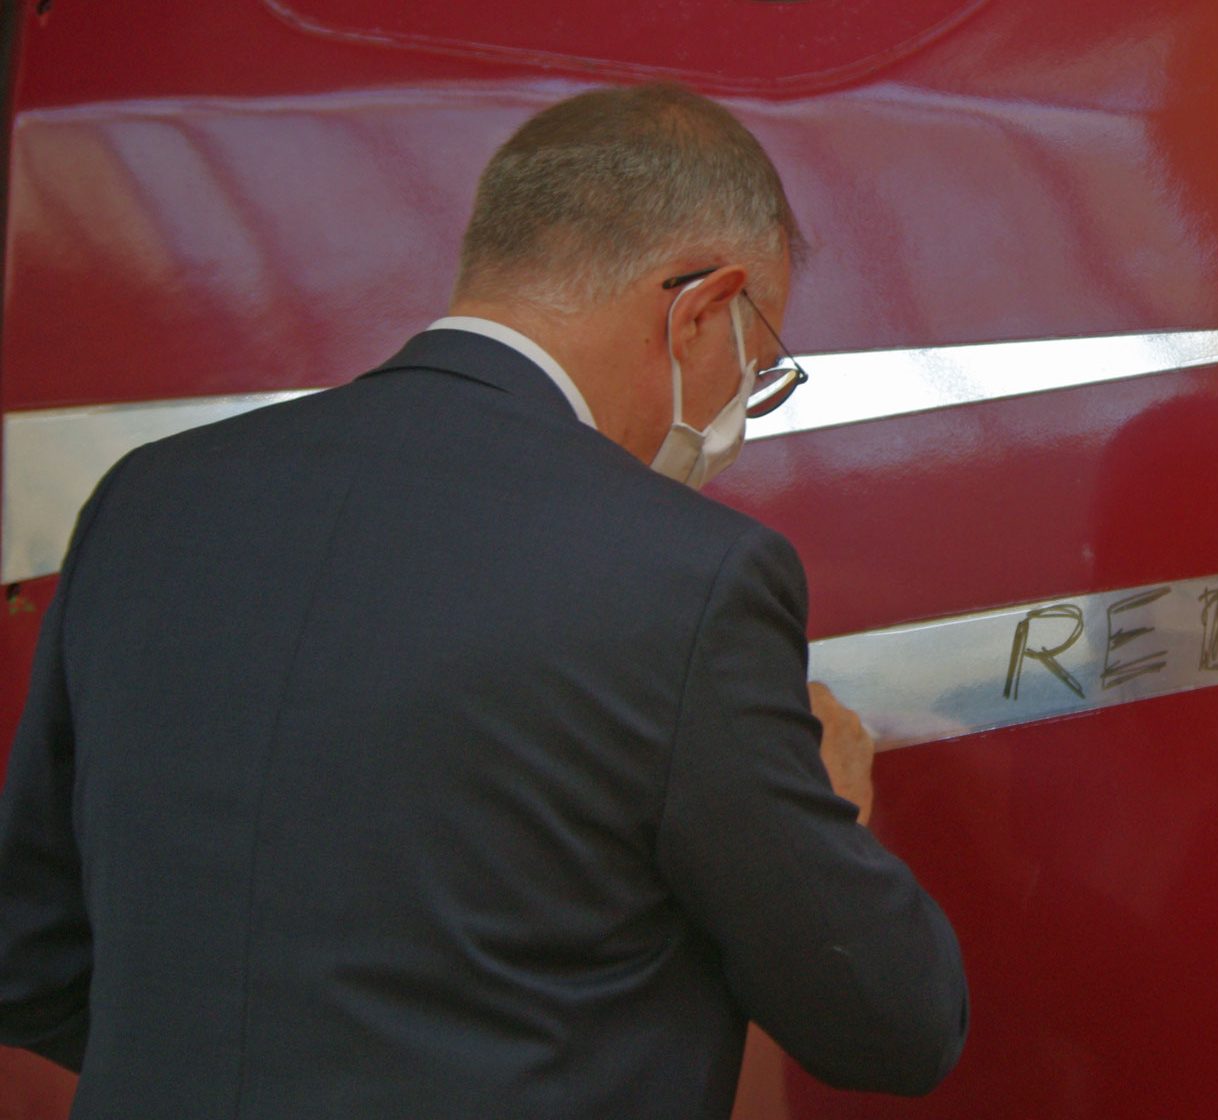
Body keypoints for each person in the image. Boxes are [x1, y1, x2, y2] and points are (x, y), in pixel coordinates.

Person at [0, 83, 966, 1119]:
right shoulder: (687, 576)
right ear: (700, 309)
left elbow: (30, 959)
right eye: (757, 368)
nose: (739, 409)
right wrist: (830, 811)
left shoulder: (149, 500)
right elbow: (890, 1025)